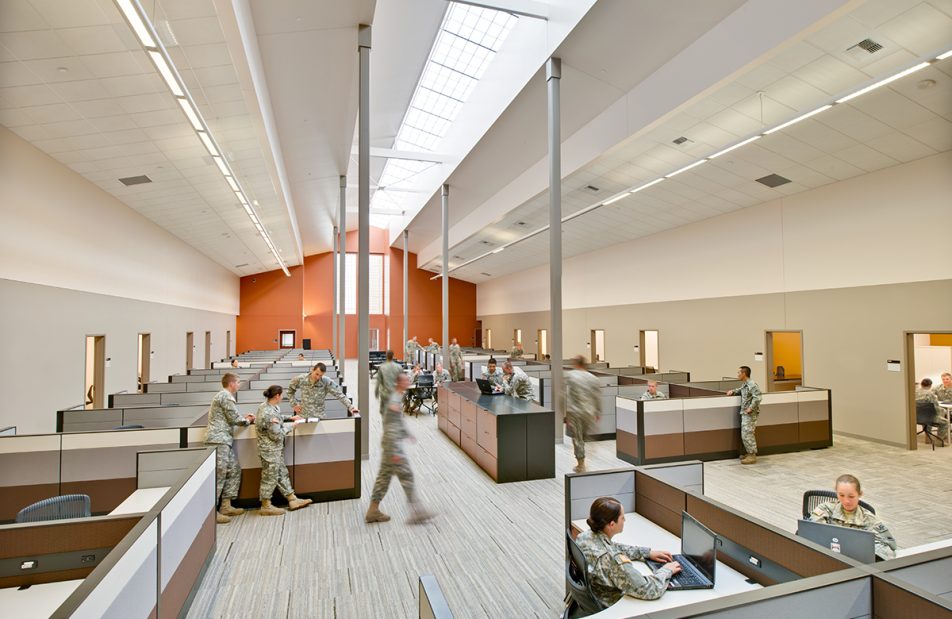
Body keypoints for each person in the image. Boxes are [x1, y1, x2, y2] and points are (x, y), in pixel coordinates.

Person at [574, 497, 681, 606]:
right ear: (612, 524)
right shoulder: (613, 560)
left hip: (594, 597)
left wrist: (646, 553)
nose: (625, 520)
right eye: (622, 518)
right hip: (612, 607)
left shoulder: (584, 537)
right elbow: (649, 590)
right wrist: (666, 571)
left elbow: (613, 547)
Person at [365, 373, 434, 525]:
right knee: (407, 476)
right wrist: (395, 451)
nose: (409, 381)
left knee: (383, 478)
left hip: (390, 445)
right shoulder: (394, 400)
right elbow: (390, 426)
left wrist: (407, 434)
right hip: (392, 447)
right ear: (399, 383)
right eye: (406, 380)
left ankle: (373, 510)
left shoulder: (396, 397)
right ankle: (417, 512)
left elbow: (397, 422)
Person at [204, 373, 255, 524]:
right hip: (218, 440)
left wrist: (244, 418)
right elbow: (235, 419)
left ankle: (226, 506)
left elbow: (231, 417)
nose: (239, 386)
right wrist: (247, 420)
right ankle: (212, 512)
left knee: (233, 469)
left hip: (224, 440)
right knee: (220, 475)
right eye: (238, 383)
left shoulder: (223, 396)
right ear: (232, 383)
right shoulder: (226, 396)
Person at [809, 474, 897, 561]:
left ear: (860, 494)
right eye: (841, 495)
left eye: (851, 496)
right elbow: (812, 531)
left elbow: (889, 549)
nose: (846, 501)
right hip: (825, 558)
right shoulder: (825, 509)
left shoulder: (868, 519)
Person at [255, 385, 312, 515]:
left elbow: (277, 417)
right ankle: (266, 506)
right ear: (277, 396)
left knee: (281, 473)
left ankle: (292, 499)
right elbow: (276, 435)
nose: (282, 398)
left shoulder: (267, 406)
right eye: (281, 395)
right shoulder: (268, 413)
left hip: (274, 450)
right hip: (269, 451)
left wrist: (290, 418)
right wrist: (292, 426)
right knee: (270, 477)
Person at [565, 356, 601, 473]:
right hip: (589, 412)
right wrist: (597, 412)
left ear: (576, 364)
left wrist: (566, 414)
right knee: (583, 437)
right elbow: (597, 397)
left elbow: (568, 396)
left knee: (577, 438)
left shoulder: (571, 376)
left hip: (576, 412)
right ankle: (584, 452)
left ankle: (581, 464)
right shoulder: (594, 379)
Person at [286, 362, 358, 419]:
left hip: (319, 417)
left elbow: (339, 394)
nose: (318, 377)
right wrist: (294, 404)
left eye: (320, 375)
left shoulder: (325, 381)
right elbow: (290, 391)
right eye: (317, 374)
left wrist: (350, 407)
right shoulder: (300, 379)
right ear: (312, 370)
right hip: (303, 416)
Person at [726, 366, 761, 464]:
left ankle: (752, 455)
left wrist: (751, 408)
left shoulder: (752, 384)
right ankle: (749, 453)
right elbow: (740, 390)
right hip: (745, 413)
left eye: (738, 373)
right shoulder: (745, 384)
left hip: (750, 414)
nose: (737, 375)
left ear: (744, 374)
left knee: (748, 434)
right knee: (745, 434)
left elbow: (758, 397)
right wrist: (732, 391)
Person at [916, 378, 949, 443]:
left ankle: (928, 439)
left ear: (921, 384)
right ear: (930, 385)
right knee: (945, 422)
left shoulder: (914, 392)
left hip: (916, 417)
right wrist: (943, 412)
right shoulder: (930, 394)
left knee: (927, 416)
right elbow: (936, 408)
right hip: (928, 418)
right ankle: (939, 441)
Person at [374, 350, 402, 417]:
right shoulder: (398, 367)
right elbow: (402, 381)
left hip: (385, 393)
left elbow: (378, 381)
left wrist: (376, 393)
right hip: (395, 393)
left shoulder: (382, 367)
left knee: (383, 411)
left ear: (386, 356)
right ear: (393, 356)